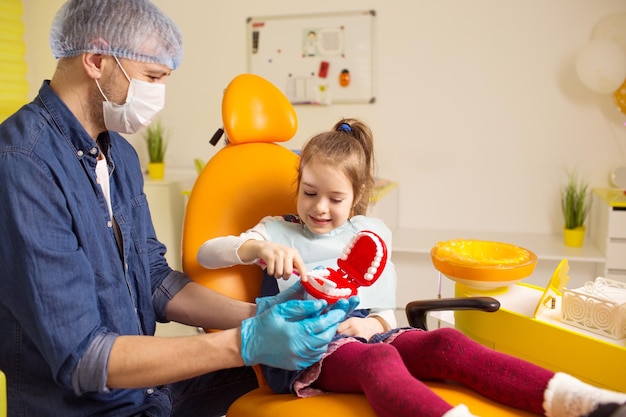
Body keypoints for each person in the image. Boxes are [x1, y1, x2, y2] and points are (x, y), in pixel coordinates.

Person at [0, 1, 354, 416]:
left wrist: (261, 312)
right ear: (96, 60)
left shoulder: (120, 158)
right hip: (87, 407)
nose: (158, 94)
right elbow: (84, 357)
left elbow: (154, 280)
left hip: (149, 392)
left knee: (323, 382)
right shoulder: (23, 164)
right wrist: (246, 341)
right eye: (152, 77)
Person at [198, 118, 626, 417]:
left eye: (335, 198)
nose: (319, 208)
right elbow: (206, 254)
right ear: (299, 184)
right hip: (300, 345)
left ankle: (585, 402)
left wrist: (372, 325)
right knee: (379, 361)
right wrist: (252, 248)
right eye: (309, 193)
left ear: (358, 194)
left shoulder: (371, 234)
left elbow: (385, 308)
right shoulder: (276, 230)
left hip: (364, 331)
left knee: (447, 344)